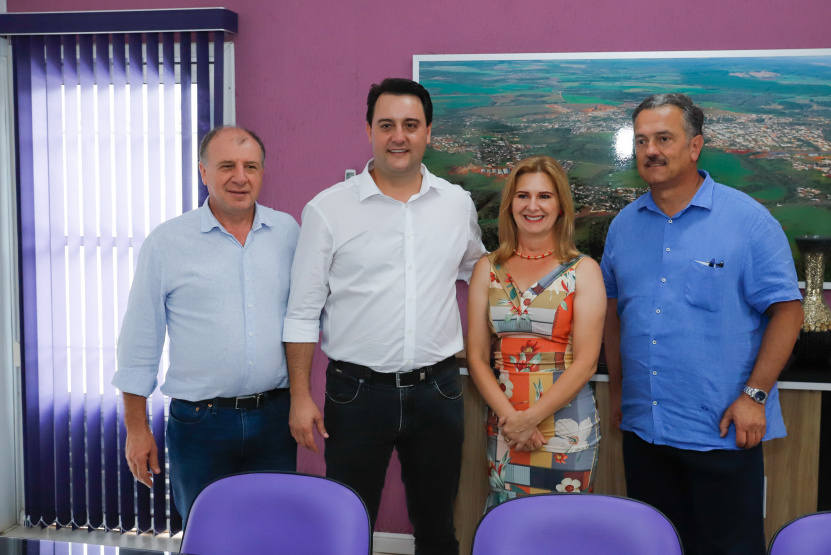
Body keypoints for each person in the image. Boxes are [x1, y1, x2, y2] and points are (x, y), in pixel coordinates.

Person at [282, 78, 486, 555]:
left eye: (411, 125)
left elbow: (479, 271)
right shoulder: (328, 209)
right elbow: (301, 310)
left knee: (438, 530)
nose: (399, 136)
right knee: (349, 527)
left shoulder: (456, 203)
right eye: (387, 125)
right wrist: (299, 396)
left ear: (429, 133)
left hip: (438, 391)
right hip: (356, 395)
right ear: (369, 130)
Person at [601, 93, 804, 555]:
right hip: (645, 430)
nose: (651, 150)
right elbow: (616, 315)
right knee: (655, 546)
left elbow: (788, 311)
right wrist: (617, 392)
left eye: (664, 138)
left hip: (723, 432)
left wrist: (755, 396)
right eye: (641, 141)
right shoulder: (623, 227)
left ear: (695, 147)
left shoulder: (749, 221)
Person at [113, 126, 300, 521]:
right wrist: (136, 428)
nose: (240, 177)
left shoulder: (288, 233)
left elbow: (305, 316)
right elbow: (139, 341)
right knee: (207, 535)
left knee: (273, 534)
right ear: (203, 172)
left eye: (251, 166)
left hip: (274, 421)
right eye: (227, 166)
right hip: (200, 426)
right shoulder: (167, 243)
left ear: (263, 172)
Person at [466, 156, 605, 508]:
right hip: (505, 425)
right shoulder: (488, 268)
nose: (532, 205)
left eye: (544, 196)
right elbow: (478, 357)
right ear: (510, 204)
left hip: (564, 429)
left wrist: (530, 419)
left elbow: (587, 363)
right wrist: (512, 421)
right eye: (523, 195)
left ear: (560, 207)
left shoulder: (584, 271)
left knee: (561, 531)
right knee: (507, 524)